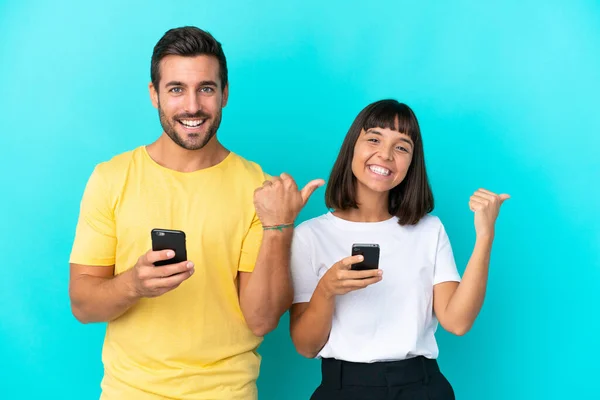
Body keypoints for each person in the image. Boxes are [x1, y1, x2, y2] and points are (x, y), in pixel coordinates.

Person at [68, 26, 323, 400]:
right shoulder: (111, 178)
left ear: (225, 94)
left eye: (206, 88)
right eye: (176, 89)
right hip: (130, 392)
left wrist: (279, 227)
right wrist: (134, 284)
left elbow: (262, 319)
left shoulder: (260, 190)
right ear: (154, 95)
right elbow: (83, 305)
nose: (192, 106)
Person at [289, 99, 509, 399]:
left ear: (411, 162)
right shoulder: (310, 235)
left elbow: (457, 322)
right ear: (352, 146)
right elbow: (305, 346)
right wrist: (326, 289)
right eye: (374, 139)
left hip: (421, 387)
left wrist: (485, 235)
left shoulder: (429, 230)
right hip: (342, 387)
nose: (386, 155)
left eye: (402, 147)